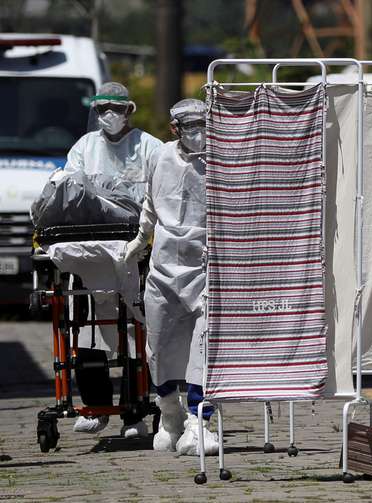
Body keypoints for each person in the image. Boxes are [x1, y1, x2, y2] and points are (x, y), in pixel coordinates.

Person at [59, 82, 162, 437]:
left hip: (135, 250)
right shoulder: (85, 148)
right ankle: (96, 406)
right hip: (91, 251)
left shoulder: (149, 147)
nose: (109, 116)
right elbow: (66, 189)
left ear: (129, 110)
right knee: (86, 331)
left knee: (138, 332)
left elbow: (165, 190)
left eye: (115, 109)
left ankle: (135, 411)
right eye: (102, 108)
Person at [124, 98, 218, 455]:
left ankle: (199, 421)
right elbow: (149, 202)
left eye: (202, 126)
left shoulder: (220, 159)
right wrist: (138, 240)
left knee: (203, 343)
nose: (198, 134)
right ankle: (170, 416)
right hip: (163, 267)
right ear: (175, 129)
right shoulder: (159, 156)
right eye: (190, 127)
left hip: (205, 266)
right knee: (159, 346)